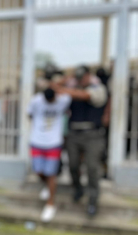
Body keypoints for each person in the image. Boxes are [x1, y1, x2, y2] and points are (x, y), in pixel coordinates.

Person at [52, 65, 108, 217]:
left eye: (82, 77)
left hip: (93, 135)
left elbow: (85, 96)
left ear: (89, 76)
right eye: (78, 77)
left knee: (92, 168)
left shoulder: (98, 88)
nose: (80, 80)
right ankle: (78, 189)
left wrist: (65, 89)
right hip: (74, 134)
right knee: (73, 165)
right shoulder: (72, 87)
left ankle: (93, 201)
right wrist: (66, 79)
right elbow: (52, 88)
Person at [28, 88, 71, 222]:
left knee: (51, 174)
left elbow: (69, 95)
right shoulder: (36, 101)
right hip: (37, 141)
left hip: (54, 143)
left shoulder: (63, 100)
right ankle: (47, 186)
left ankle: (50, 204)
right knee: (38, 171)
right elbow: (29, 115)